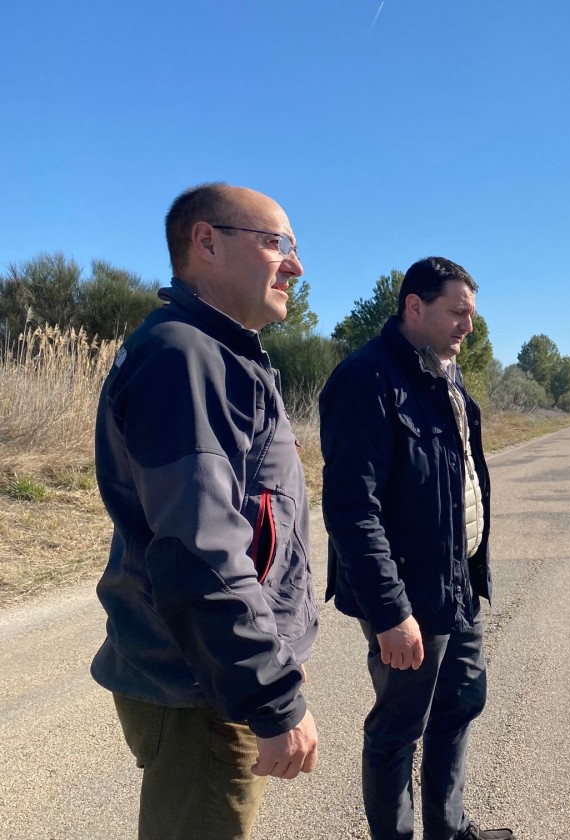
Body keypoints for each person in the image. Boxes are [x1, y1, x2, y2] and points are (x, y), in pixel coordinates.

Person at [91, 183, 319, 840]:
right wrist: (271, 693)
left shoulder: (225, 354)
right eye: (276, 243)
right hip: (201, 683)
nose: (295, 266)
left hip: (217, 672)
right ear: (206, 242)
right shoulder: (185, 357)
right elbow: (200, 550)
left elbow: (251, 523)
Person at [319, 257, 513, 840]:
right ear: (414, 307)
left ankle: (449, 830)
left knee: (460, 704)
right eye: (458, 312)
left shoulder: (445, 377)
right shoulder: (367, 379)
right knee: (400, 729)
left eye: (472, 315)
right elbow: (353, 509)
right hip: (407, 595)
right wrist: (390, 611)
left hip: (457, 584)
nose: (468, 327)